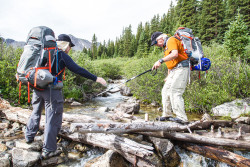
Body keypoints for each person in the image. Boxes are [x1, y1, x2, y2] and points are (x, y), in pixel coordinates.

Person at [25, 34, 107, 159]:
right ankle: (49, 150)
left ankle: (29, 137)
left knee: (35, 112)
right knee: (52, 119)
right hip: (52, 91)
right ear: (65, 44)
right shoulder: (61, 55)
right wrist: (96, 78)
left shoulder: (42, 51)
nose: (70, 49)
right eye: (69, 46)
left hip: (37, 88)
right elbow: (78, 69)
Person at [151, 32, 189, 124]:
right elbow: (170, 64)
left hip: (181, 68)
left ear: (160, 39)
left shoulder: (171, 40)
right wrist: (168, 76)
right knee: (165, 91)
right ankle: (167, 115)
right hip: (173, 71)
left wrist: (160, 61)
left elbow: (175, 54)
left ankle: (182, 118)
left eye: (156, 43)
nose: (156, 45)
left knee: (175, 92)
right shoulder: (165, 48)